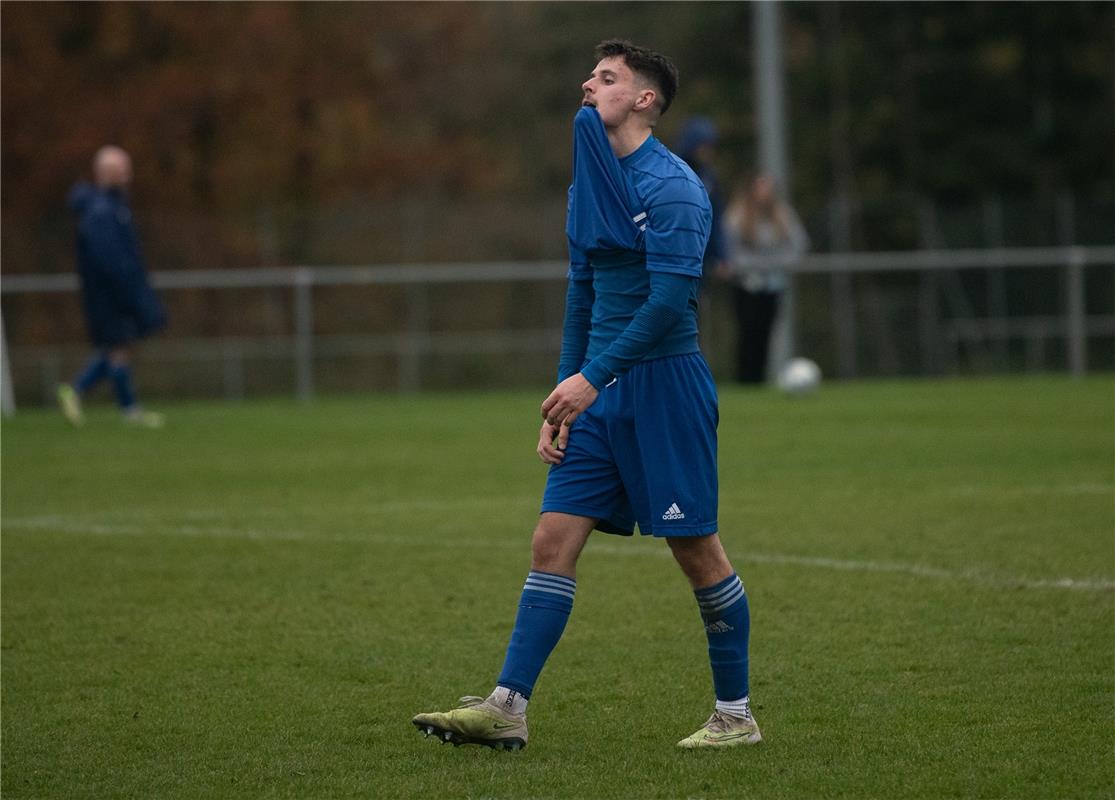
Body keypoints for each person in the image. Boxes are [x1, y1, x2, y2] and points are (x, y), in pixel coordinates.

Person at [412, 39, 760, 751]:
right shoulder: (588, 182)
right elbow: (583, 289)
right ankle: (507, 705)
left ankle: (735, 715)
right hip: (597, 392)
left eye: (606, 79)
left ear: (643, 100)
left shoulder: (674, 186)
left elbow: (668, 302)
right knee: (550, 541)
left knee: (696, 552)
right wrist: (563, 395)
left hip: (664, 388)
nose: (586, 85)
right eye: (589, 74)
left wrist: (591, 377)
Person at [57, 146, 166, 428]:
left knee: (120, 347)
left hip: (115, 290)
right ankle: (86, 393)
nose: (129, 174)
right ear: (108, 172)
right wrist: (129, 290)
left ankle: (124, 407)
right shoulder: (102, 210)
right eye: (123, 168)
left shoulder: (113, 206)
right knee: (118, 347)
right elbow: (109, 258)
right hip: (109, 293)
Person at [721, 174, 809, 384]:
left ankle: (759, 380)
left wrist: (778, 264)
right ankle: (745, 380)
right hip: (746, 284)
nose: (765, 194)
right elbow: (726, 248)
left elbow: (799, 244)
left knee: (765, 333)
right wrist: (746, 267)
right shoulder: (737, 215)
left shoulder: (783, 214)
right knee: (747, 333)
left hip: (773, 284)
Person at [676, 116, 727, 285]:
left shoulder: (710, 177)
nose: (707, 152)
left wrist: (721, 255)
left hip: (702, 256)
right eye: (703, 146)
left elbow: (717, 217)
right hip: (677, 251)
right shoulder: (674, 171)